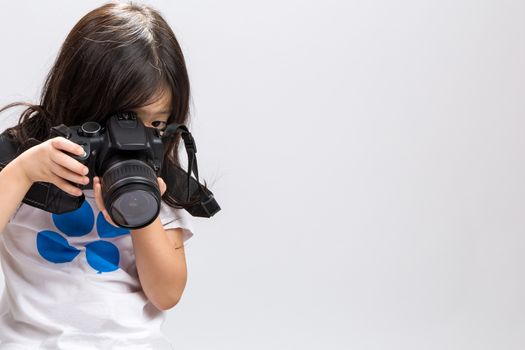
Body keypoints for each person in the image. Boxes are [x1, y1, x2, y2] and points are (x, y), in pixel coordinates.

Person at [0, 1, 200, 348]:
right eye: (118, 122)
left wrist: (143, 213)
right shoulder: (24, 159)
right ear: (80, 104)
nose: (133, 138)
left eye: (155, 124)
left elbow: (166, 293)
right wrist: (22, 174)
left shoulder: (157, 177)